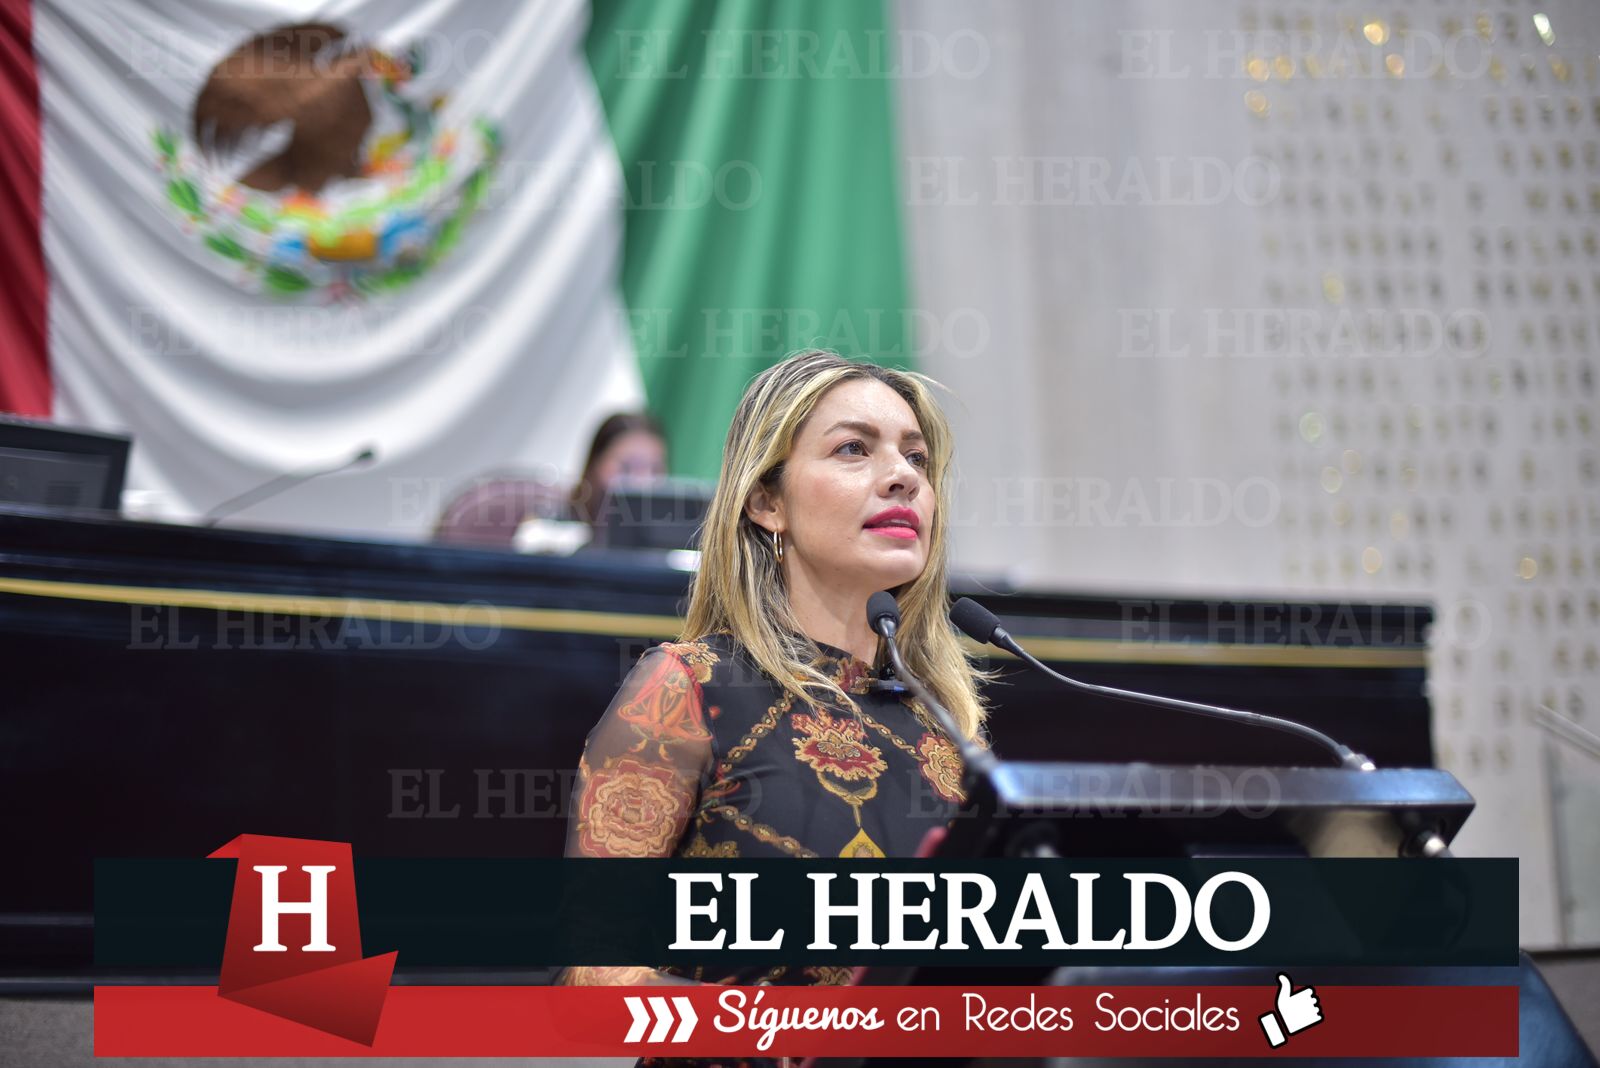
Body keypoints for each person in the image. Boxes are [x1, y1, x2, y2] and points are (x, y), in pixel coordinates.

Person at [562, 350, 993, 990]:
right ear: (767, 500)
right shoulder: (687, 689)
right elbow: (593, 974)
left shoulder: (951, 728)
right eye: (853, 449)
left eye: (916, 458)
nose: (902, 476)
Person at [568, 411, 669, 526]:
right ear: (594, 464)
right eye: (626, 467)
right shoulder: (556, 532)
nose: (643, 482)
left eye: (655, 470)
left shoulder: (674, 538)